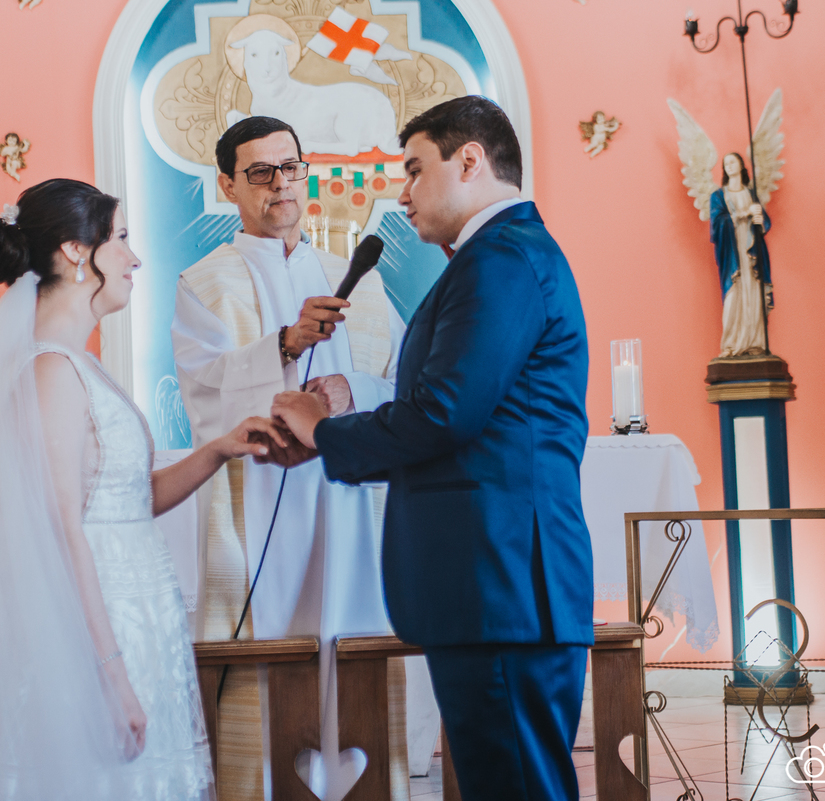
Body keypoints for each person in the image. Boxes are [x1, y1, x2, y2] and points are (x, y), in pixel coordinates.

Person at [0, 178, 289, 801]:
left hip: (136, 625)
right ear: (75, 251)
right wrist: (108, 673)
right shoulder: (49, 372)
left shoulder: (78, 364)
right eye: (120, 238)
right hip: (92, 637)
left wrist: (220, 448)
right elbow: (62, 530)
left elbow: (126, 504)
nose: (134, 258)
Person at [270, 96, 595, 801]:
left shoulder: (502, 258)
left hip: (501, 582)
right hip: (497, 584)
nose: (403, 191)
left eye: (415, 169)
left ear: (470, 161)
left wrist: (322, 430)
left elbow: (444, 414)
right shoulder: (498, 256)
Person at [170, 116, 408, 800]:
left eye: (291, 167)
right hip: (261, 502)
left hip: (349, 503)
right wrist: (283, 343)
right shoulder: (206, 283)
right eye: (260, 172)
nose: (281, 184)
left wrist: (349, 391)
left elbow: (400, 383)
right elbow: (204, 391)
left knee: (352, 633)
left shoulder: (354, 278)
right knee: (271, 651)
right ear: (228, 186)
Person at [711, 151, 772, 358]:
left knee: (754, 294)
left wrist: (760, 220)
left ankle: (755, 343)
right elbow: (716, 225)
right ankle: (731, 344)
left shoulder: (751, 195)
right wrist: (742, 214)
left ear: (740, 166)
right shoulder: (719, 196)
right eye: (725, 163)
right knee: (733, 296)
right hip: (732, 253)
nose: (728, 166)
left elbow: (764, 222)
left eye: (732, 162)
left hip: (752, 254)